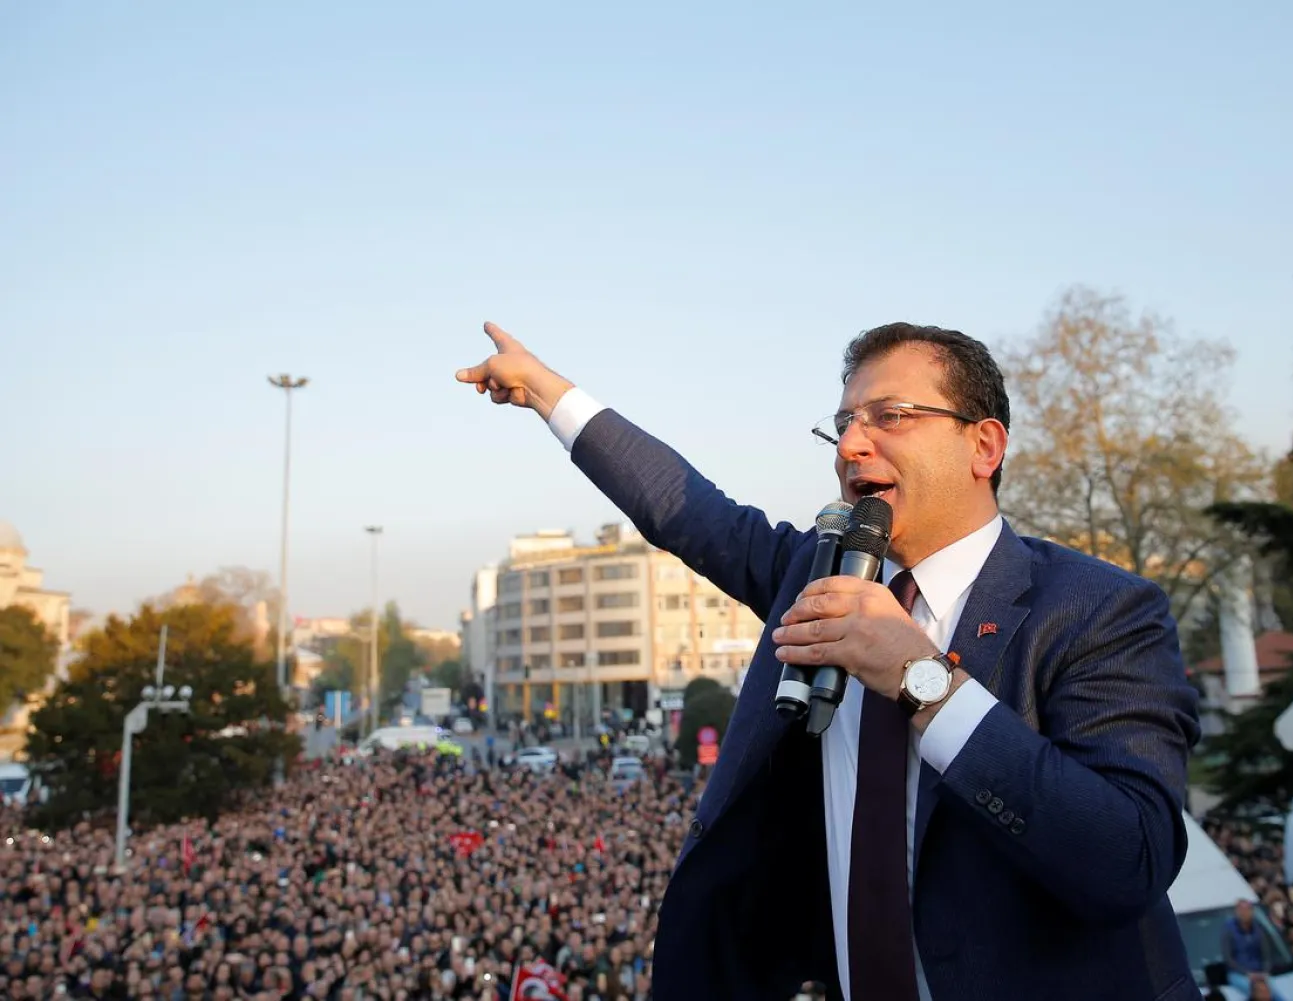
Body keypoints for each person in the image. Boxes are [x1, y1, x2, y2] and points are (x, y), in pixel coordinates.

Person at [456, 320, 1202, 1001]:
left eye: (891, 416)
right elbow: (685, 508)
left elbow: (1127, 857)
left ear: (985, 446)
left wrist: (923, 681)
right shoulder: (815, 580)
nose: (850, 445)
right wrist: (549, 393)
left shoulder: (1100, 610)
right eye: (844, 423)